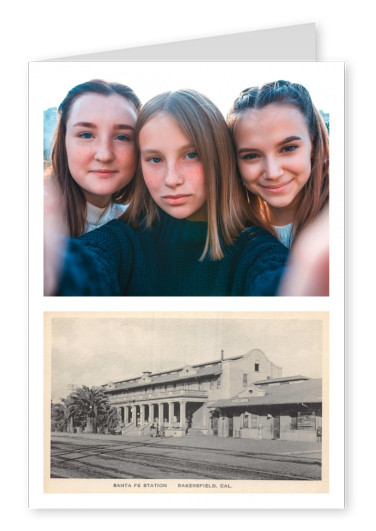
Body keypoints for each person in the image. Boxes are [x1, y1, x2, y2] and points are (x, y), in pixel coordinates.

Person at [46, 89, 289, 296]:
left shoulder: (257, 252)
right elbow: (85, 267)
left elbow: (280, 284)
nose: (171, 179)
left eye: (191, 155)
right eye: (155, 159)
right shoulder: (122, 241)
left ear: (219, 158)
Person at [227, 80, 329, 249]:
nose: (273, 172)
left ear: (314, 144)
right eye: (251, 155)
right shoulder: (232, 237)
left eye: (288, 148)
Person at [48, 79, 141, 237]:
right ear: (64, 143)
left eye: (122, 137)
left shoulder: (142, 226)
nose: (104, 155)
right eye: (86, 135)